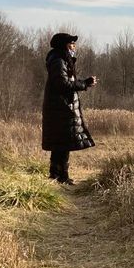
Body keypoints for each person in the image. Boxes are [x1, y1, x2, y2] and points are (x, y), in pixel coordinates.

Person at [41, 32, 98, 185]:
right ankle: (61, 176)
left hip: (61, 108)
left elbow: (65, 82)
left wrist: (83, 83)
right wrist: (84, 84)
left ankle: (57, 176)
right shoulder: (59, 60)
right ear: (64, 45)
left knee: (61, 143)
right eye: (71, 44)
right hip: (60, 108)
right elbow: (62, 84)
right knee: (62, 144)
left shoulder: (62, 59)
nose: (74, 46)